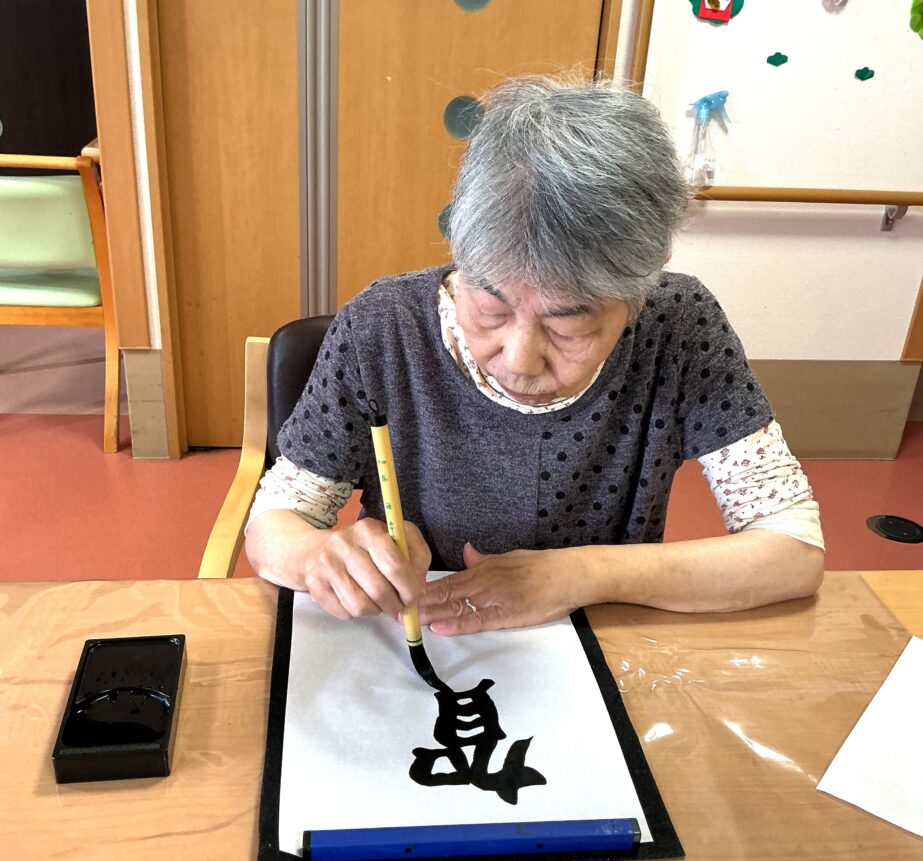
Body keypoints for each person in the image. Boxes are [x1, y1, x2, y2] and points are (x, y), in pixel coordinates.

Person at [245, 76, 824, 636]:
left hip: (601, 634)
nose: (519, 359)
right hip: (416, 634)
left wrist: (577, 575)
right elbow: (276, 523)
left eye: (567, 324)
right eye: (490, 308)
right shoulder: (382, 326)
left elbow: (792, 551)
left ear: (639, 294)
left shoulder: (679, 327)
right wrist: (319, 556)